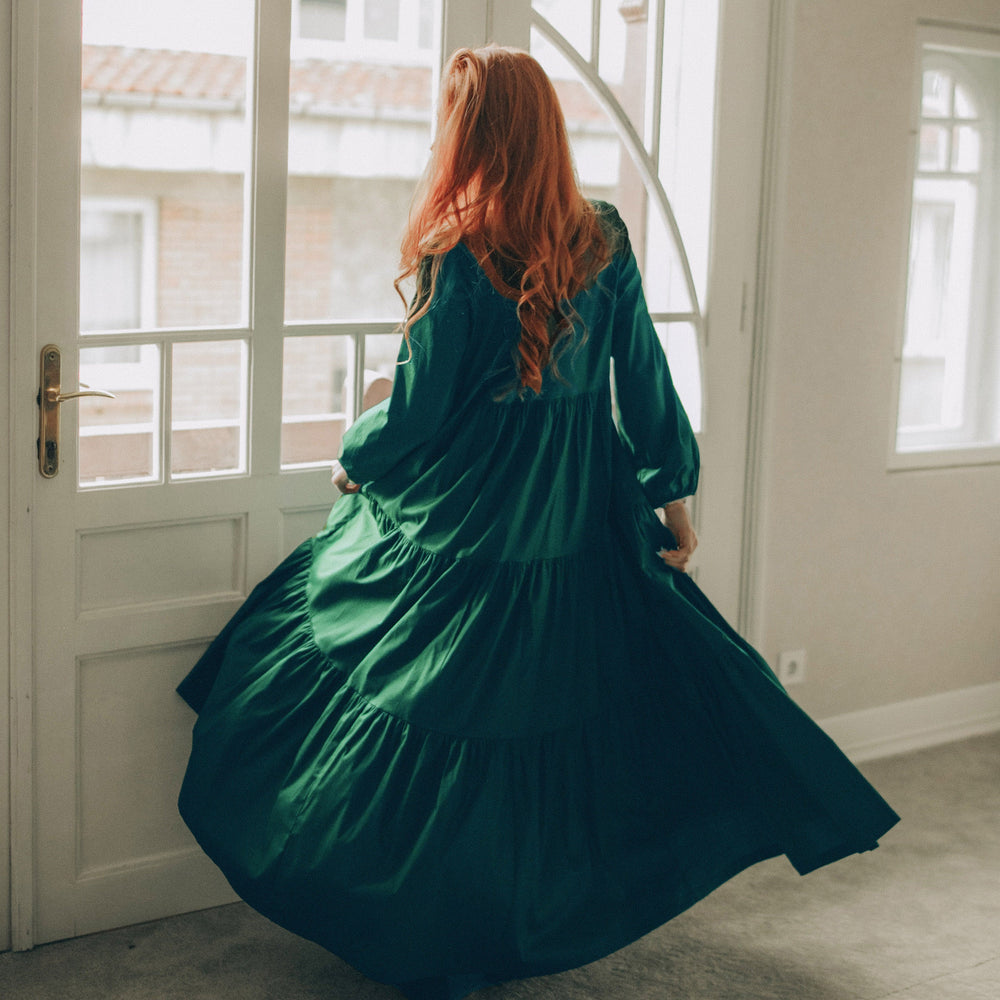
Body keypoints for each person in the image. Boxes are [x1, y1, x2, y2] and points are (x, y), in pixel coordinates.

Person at [177, 45, 898, 1000]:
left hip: (470, 516)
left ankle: (441, 939)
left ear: (471, 130)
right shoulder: (602, 234)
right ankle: (504, 928)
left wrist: (357, 454)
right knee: (546, 720)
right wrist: (670, 494)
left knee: (440, 713)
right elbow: (643, 379)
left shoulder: (453, 249)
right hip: (575, 513)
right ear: (548, 128)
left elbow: (421, 412)